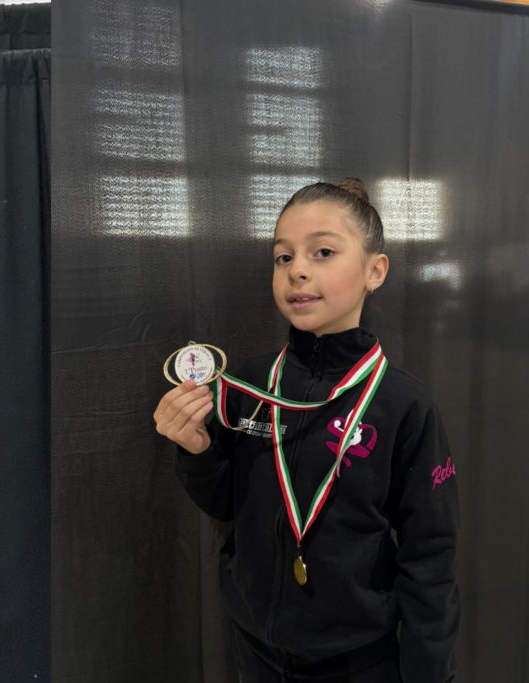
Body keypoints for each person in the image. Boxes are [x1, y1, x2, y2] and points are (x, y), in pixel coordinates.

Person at [154, 179, 459, 682]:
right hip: (256, 648)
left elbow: (431, 557)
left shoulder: (405, 405)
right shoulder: (250, 383)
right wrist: (197, 449)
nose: (297, 269)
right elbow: (229, 504)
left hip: (359, 661)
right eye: (283, 257)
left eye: (323, 252)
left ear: (375, 271)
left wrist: (430, 675)